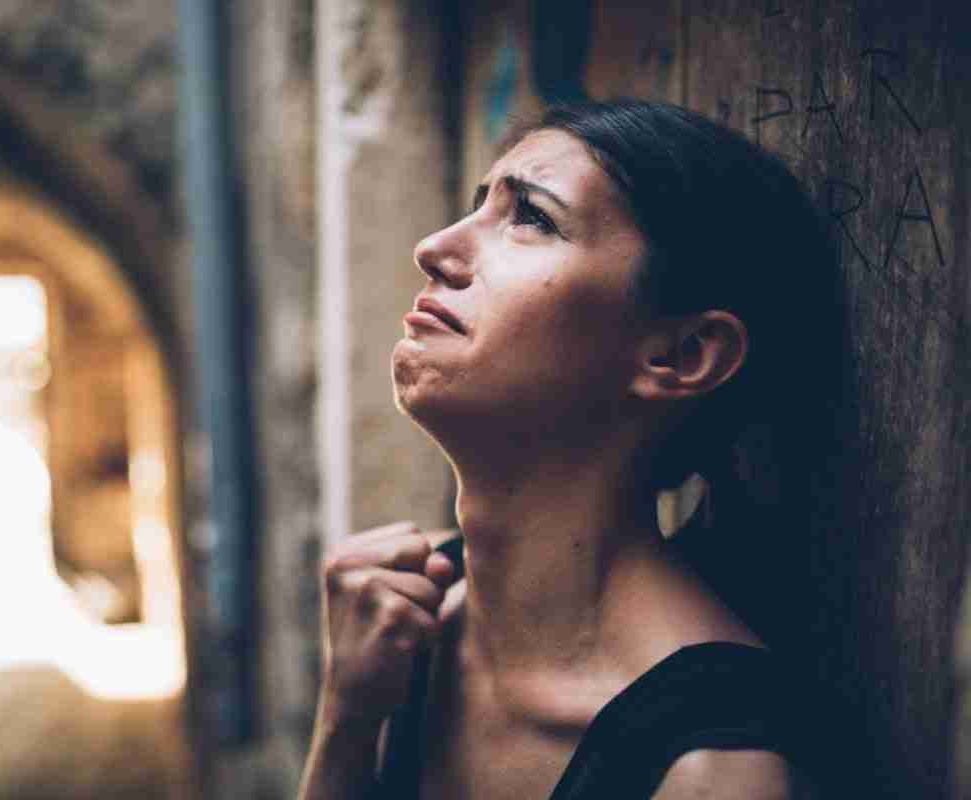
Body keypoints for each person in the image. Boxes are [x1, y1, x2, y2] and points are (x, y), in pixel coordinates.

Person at [300, 100, 840, 799]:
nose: (434, 248)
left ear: (682, 354)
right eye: (478, 207)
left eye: (532, 218)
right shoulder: (399, 634)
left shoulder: (713, 773)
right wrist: (345, 718)